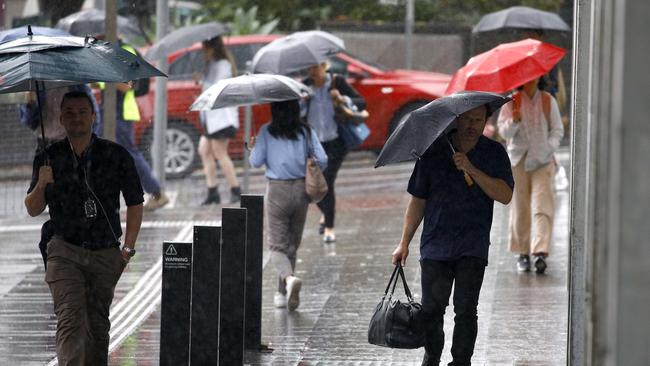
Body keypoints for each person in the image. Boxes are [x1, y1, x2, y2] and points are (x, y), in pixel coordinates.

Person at [24, 91, 144, 365]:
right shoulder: (48, 157)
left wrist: (127, 249)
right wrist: (42, 183)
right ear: (61, 118)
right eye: (69, 112)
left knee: (97, 327)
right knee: (70, 319)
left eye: (81, 112)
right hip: (64, 250)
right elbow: (32, 208)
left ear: (93, 116)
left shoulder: (115, 155)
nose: (76, 118)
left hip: (105, 251)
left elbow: (136, 202)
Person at [391, 105, 514, 366]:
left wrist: (472, 169)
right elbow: (418, 201)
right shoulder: (433, 152)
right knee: (432, 311)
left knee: (466, 311)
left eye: (478, 120)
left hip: (473, 245)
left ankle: (461, 362)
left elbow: (505, 195)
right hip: (436, 245)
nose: (471, 125)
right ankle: (431, 358)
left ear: (485, 122)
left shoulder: (494, 153)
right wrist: (404, 243)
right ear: (456, 119)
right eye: (467, 119)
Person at [249, 100, 327, 311]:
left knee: (276, 246)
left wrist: (253, 146)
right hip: (302, 191)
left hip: (277, 191)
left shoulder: (266, 131)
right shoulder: (305, 132)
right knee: (291, 245)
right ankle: (282, 293)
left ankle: (289, 279)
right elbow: (323, 158)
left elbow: (255, 162)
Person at [497, 77, 564, 273]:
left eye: (533, 77)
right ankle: (522, 253)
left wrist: (548, 148)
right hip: (518, 161)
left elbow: (557, 130)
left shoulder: (547, 100)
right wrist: (514, 121)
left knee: (542, 206)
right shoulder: (511, 101)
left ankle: (540, 251)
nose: (529, 80)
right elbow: (504, 132)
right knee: (521, 209)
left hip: (543, 162)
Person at [94, 37, 169, 211]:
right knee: (98, 151)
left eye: (98, 35)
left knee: (129, 155)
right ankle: (99, 195)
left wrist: (107, 75)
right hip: (107, 112)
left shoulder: (124, 51)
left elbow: (129, 85)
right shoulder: (105, 53)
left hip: (121, 114)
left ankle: (156, 192)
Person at [302, 61, 366, 243]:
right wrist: (303, 102)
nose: (312, 71)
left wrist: (341, 99)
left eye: (315, 67)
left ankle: (329, 227)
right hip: (313, 143)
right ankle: (325, 213)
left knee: (327, 181)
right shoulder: (305, 86)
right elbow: (296, 114)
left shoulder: (337, 82)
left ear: (324, 66)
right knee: (312, 185)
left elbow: (361, 103)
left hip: (336, 141)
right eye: (309, 68)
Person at [194, 36, 241, 205]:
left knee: (219, 153)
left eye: (205, 49)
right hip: (211, 119)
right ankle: (213, 190)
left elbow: (217, 89)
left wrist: (204, 83)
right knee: (204, 150)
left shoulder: (223, 66)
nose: (203, 52)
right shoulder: (212, 66)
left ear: (212, 48)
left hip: (222, 119)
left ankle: (236, 189)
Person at [19, 84, 101, 153]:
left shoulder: (76, 85)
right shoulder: (36, 84)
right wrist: (30, 104)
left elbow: (92, 115)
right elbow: (29, 121)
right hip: (45, 143)